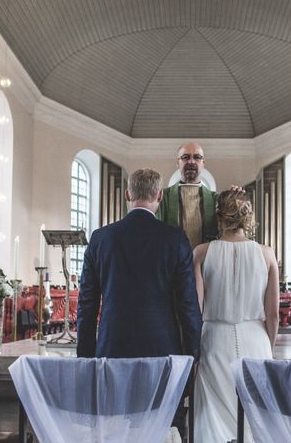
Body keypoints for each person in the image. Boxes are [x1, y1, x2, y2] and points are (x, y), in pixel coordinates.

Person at [77, 168, 202, 437]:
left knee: (115, 428)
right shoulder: (175, 238)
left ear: (127, 194)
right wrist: (193, 355)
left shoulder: (101, 238)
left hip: (112, 347)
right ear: (159, 196)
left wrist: (86, 358)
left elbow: (87, 305)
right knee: (164, 428)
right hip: (162, 348)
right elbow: (188, 305)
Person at [193, 190, 279, 443]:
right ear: (248, 217)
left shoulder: (201, 253)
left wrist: (194, 349)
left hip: (214, 339)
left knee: (214, 413)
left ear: (218, 216)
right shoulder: (267, 254)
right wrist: (268, 345)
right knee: (255, 415)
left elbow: (195, 311)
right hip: (256, 337)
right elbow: (273, 314)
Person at [156, 142, 219, 248]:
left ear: (203, 163)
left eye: (197, 157)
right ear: (178, 163)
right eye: (185, 157)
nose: (191, 161)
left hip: (206, 261)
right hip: (173, 262)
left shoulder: (216, 199)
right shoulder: (163, 197)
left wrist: (235, 196)